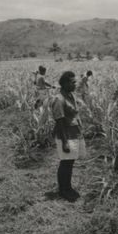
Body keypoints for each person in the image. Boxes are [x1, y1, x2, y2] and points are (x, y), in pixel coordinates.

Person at [51, 71, 86, 202]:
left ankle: (68, 187)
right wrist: (65, 142)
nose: (75, 84)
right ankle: (63, 190)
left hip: (73, 132)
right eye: (72, 82)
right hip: (65, 134)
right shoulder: (59, 99)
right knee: (65, 162)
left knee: (70, 161)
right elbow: (59, 122)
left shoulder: (70, 96)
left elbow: (74, 115)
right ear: (65, 83)